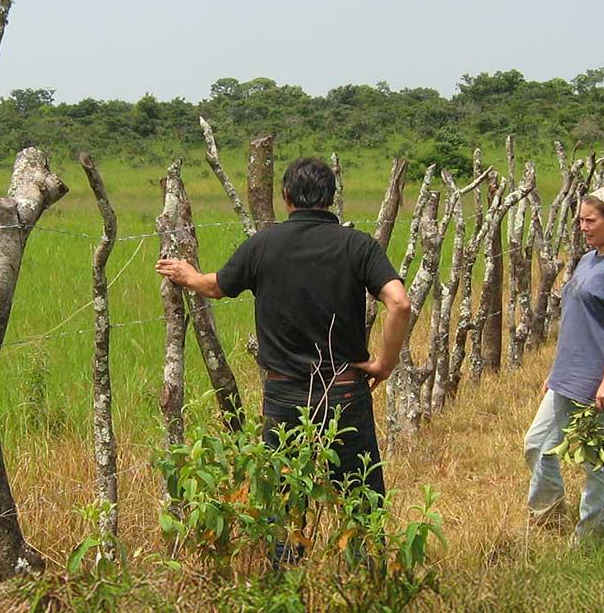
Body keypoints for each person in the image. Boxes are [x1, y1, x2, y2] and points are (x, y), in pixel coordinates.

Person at [156, 156, 413, 498]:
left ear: (286, 196)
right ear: (331, 197)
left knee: (285, 505)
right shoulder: (358, 245)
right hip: (345, 390)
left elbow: (215, 287)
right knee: (362, 501)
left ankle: (287, 554)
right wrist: (385, 364)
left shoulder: (264, 244)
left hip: (285, 395)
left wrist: (189, 276)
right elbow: (399, 302)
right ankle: (367, 553)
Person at [524, 184, 604, 542]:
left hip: (595, 380)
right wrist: (554, 371)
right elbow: (576, 320)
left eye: (590, 220)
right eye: (580, 221)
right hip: (566, 375)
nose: (583, 227)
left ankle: (593, 539)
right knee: (537, 444)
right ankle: (549, 515)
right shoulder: (588, 260)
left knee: (597, 461)